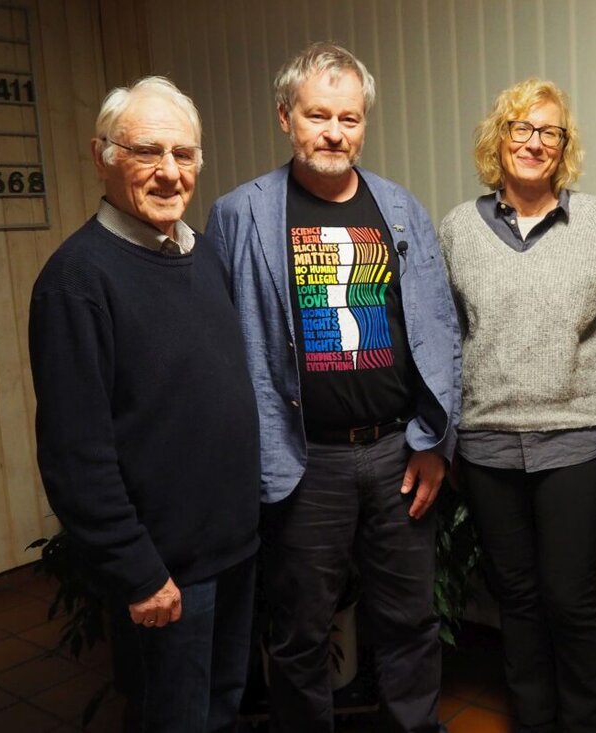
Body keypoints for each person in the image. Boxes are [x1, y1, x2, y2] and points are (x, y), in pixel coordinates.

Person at [206, 42, 460, 733]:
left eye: (349, 118)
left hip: (395, 454)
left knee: (409, 620)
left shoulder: (399, 207)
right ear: (285, 116)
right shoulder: (241, 215)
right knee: (300, 631)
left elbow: (437, 328)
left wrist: (435, 441)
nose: (334, 132)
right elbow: (219, 346)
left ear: (363, 124)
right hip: (301, 461)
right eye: (319, 115)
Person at [28, 76, 261, 732]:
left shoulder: (204, 256)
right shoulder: (77, 282)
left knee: (220, 710)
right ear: (103, 155)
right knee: (173, 720)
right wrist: (136, 569)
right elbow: (76, 454)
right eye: (146, 152)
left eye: (184, 155)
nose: (169, 172)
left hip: (232, 554)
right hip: (164, 575)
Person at [437, 78, 596, 732]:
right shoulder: (459, 228)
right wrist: (446, 438)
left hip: (578, 440)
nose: (534, 142)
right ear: (500, 139)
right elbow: (447, 337)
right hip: (488, 443)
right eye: (521, 128)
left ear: (564, 146)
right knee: (516, 599)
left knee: (570, 599)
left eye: (549, 131)